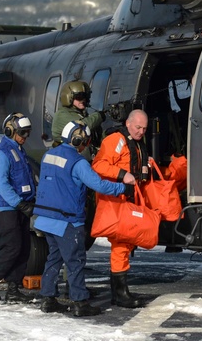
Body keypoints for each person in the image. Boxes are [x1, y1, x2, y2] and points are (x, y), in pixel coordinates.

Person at [33, 121, 133, 317]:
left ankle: (48, 298)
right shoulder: (78, 163)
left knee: (53, 259)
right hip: (67, 220)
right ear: (79, 140)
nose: (84, 145)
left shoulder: (48, 155)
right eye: (85, 142)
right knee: (75, 261)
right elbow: (99, 185)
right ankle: (80, 302)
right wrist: (124, 188)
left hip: (45, 217)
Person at [91, 109, 151, 308]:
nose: (141, 132)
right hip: (117, 202)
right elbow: (98, 165)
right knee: (121, 246)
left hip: (129, 201)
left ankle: (120, 291)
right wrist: (122, 174)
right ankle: (119, 293)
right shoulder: (116, 140)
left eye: (144, 128)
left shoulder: (137, 143)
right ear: (128, 123)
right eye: (138, 127)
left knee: (124, 245)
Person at [0, 112, 37, 303]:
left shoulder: (18, 150)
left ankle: (14, 287)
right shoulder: (2, 154)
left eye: (28, 132)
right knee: (11, 249)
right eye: (23, 132)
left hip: (20, 208)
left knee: (24, 249)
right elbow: (2, 185)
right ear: (10, 130)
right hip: (6, 210)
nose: (25, 136)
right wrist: (20, 204)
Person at [51, 80, 104, 153]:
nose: (83, 100)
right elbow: (81, 127)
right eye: (79, 97)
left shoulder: (81, 114)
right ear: (69, 97)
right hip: (66, 154)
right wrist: (99, 116)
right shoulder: (61, 115)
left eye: (86, 96)